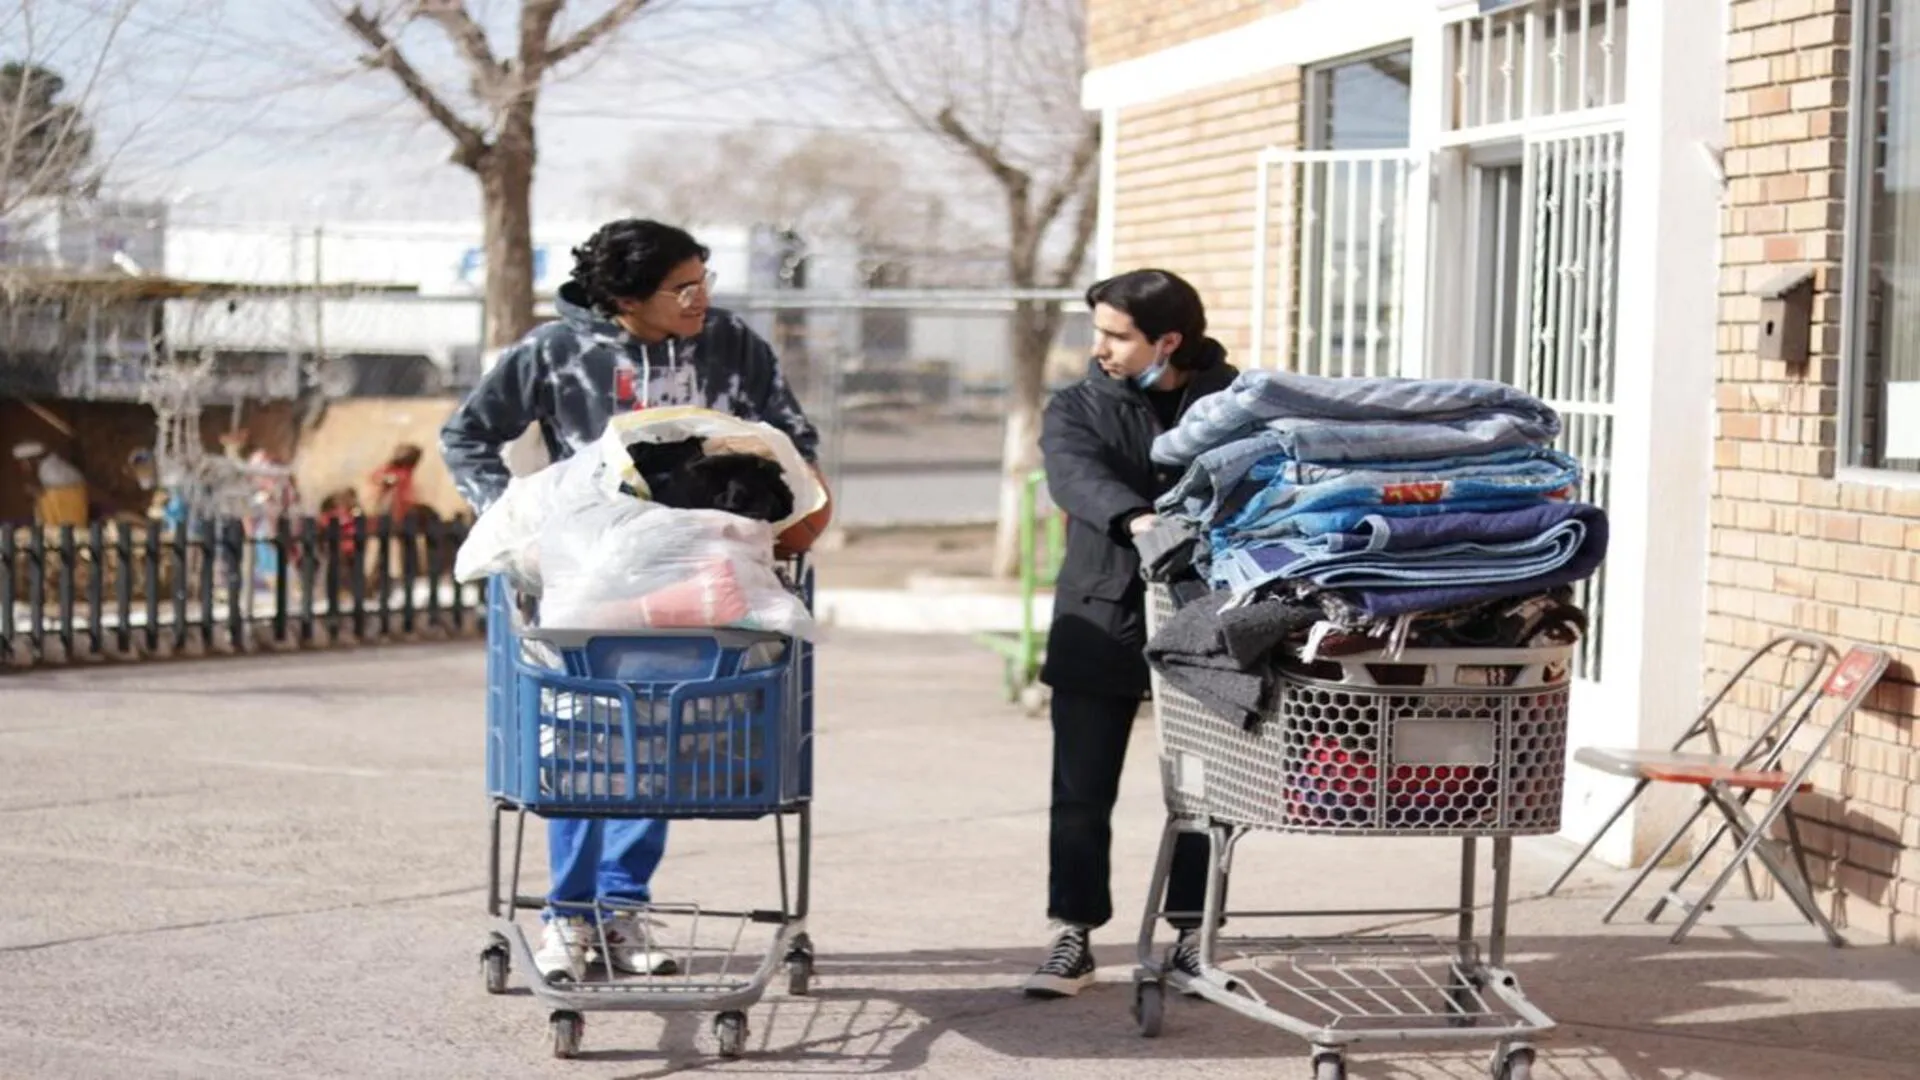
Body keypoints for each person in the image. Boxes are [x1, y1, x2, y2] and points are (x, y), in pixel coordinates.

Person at [441, 219, 822, 983]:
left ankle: (619, 906)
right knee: (584, 745)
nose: (700, 298)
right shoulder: (557, 352)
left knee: (662, 744)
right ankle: (567, 913)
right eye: (682, 288)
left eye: (704, 280)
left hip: (699, 584)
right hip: (591, 586)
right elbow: (467, 436)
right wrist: (520, 524)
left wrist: (772, 512)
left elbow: (792, 435)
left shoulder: (730, 345)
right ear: (625, 298)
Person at [1024, 269, 1238, 998]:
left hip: (1206, 612)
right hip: (1100, 611)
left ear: (1167, 340)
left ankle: (1191, 939)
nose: (1101, 348)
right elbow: (1074, 477)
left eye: (1117, 335)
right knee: (1081, 791)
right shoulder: (1077, 405)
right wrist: (1139, 519)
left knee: (1206, 788)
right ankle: (1074, 935)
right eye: (1099, 333)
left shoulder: (1234, 403)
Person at [12, 442, 89, 528]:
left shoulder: (51, 471)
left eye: (23, 463)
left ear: (29, 461)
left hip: (67, 525)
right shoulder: (49, 466)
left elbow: (56, 498)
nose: (23, 467)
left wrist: (37, 494)